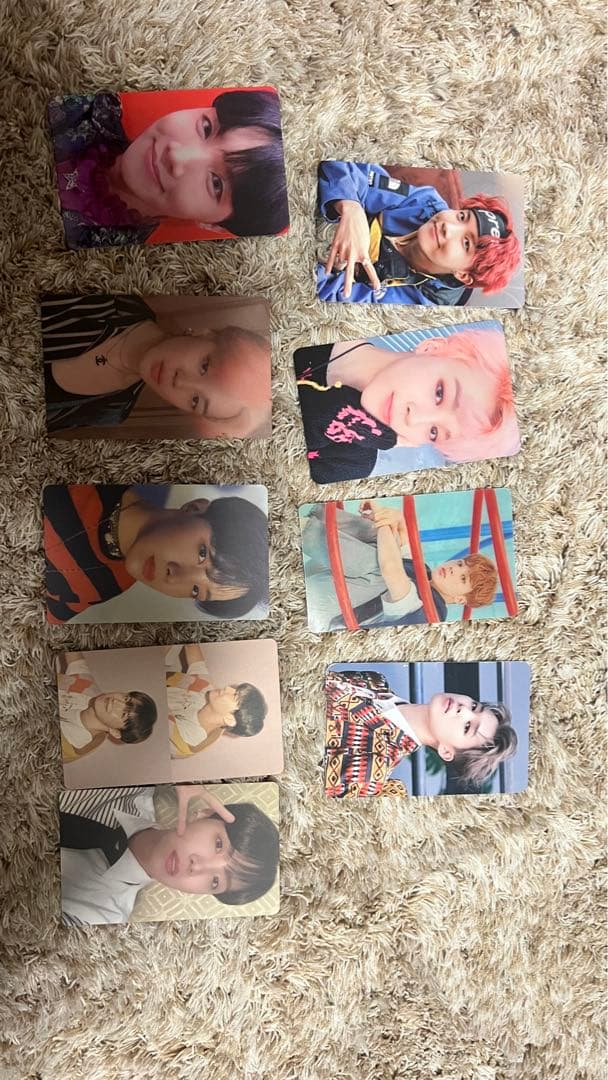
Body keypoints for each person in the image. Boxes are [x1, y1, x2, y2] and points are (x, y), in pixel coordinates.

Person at [48, 88, 289, 249]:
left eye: (216, 183)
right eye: (206, 128)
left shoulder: (108, 260)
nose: (176, 156)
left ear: (212, 225)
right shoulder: (88, 109)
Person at [294, 326, 519, 483]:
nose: (415, 419)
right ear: (431, 348)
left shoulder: (351, 464)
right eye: (439, 394)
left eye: (434, 432)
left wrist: (329, 416)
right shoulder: (330, 324)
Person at [41, 294, 271, 437]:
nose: (180, 382)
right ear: (205, 334)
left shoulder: (112, 411)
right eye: (204, 366)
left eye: (195, 401)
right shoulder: (109, 299)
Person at [44, 484, 269, 624]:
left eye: (196, 590)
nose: (174, 577)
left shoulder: (113, 584)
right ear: (195, 508)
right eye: (202, 554)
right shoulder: (84, 483)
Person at [59, 783, 280, 924]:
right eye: (218, 844)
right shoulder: (136, 784)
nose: (197, 867)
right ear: (205, 814)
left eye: (215, 881)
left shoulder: (103, 915)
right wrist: (177, 769)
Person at [316, 160, 521, 305]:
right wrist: (350, 206)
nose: (448, 227)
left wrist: (331, 267)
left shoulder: (421, 304)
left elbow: (328, 296)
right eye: (461, 217)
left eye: (466, 243)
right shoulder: (426, 203)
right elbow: (346, 168)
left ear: (463, 275)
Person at [301, 500, 498, 632]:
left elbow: (391, 569)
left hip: (328, 609)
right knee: (389, 541)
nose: (455, 568)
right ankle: (314, 519)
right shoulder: (422, 572)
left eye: (463, 578)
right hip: (327, 578)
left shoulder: (431, 612)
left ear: (460, 599)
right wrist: (390, 516)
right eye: (461, 563)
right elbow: (403, 536)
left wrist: (383, 522)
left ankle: (305, 530)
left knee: (382, 559)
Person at [324, 668, 517, 797]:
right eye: (474, 706)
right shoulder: (375, 682)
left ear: (446, 751)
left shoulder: (371, 770)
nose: (464, 709)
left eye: (468, 727)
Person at [164, 644, 267, 757]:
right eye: (235, 689)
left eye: (234, 695)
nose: (228, 688)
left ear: (229, 719)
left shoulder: (187, 737)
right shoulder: (206, 690)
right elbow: (191, 646)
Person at [58, 651, 157, 763]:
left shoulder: (68, 743)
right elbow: (75, 658)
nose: (116, 702)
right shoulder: (89, 691)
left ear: (115, 732)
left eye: (123, 714)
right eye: (126, 699)